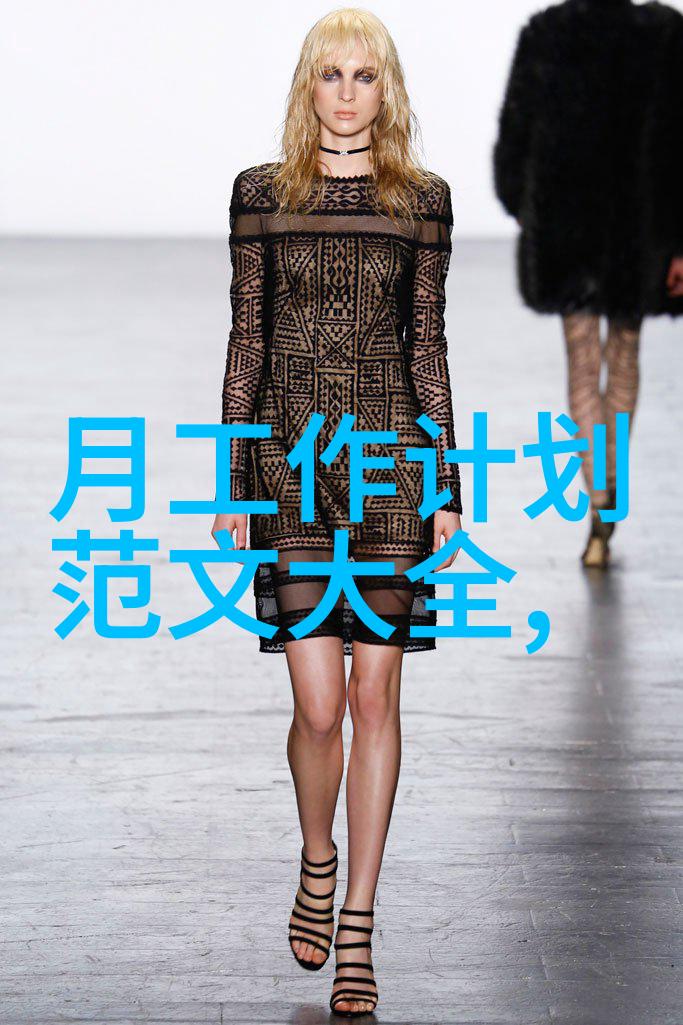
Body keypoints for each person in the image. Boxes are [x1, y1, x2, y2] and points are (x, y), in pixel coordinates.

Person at [211, 8, 462, 1017]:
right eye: (331, 74)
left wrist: (445, 486)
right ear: (307, 85)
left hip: (389, 464)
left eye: (364, 75)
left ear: (385, 88)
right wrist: (233, 474)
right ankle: (316, 855)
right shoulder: (261, 195)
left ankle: (356, 916)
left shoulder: (421, 202)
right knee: (316, 706)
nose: (347, 92)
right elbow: (247, 337)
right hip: (291, 464)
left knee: (373, 698)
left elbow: (426, 345)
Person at [493, 0, 683, 568]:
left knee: (583, 360)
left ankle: (600, 498)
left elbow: (515, 138)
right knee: (623, 353)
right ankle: (608, 488)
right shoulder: (663, 34)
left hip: (569, 228)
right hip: (637, 229)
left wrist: (527, 207)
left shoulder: (547, 33)